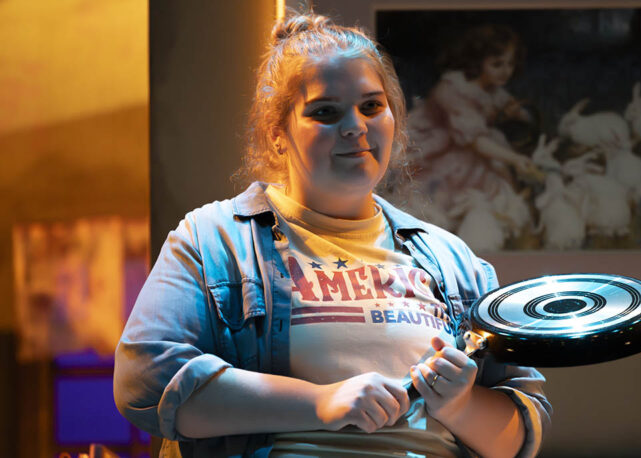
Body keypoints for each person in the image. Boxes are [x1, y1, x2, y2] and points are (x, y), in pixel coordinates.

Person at [114, 12, 552, 458]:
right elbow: (145, 379)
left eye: (371, 106)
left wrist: (461, 404)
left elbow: (520, 435)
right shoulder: (212, 241)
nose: (355, 127)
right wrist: (321, 404)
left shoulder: (454, 260)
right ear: (277, 133)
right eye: (325, 112)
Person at [389, 24, 542, 245]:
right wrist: (516, 159)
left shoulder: (492, 90)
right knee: (450, 196)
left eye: (510, 63)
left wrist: (518, 115)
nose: (506, 71)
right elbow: (476, 141)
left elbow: (515, 111)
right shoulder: (452, 89)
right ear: (477, 61)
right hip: (437, 151)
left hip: (468, 148)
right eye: (497, 64)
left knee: (490, 178)